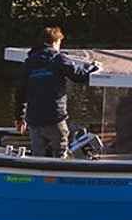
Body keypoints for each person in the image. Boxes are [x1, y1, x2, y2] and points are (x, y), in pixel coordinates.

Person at [13, 26, 99, 159]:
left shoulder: (29, 63)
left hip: (34, 120)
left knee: (38, 157)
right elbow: (79, 76)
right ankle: (59, 176)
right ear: (55, 42)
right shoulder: (58, 58)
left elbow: (20, 92)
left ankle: (39, 176)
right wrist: (93, 67)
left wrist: (19, 117)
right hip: (55, 118)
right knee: (60, 155)